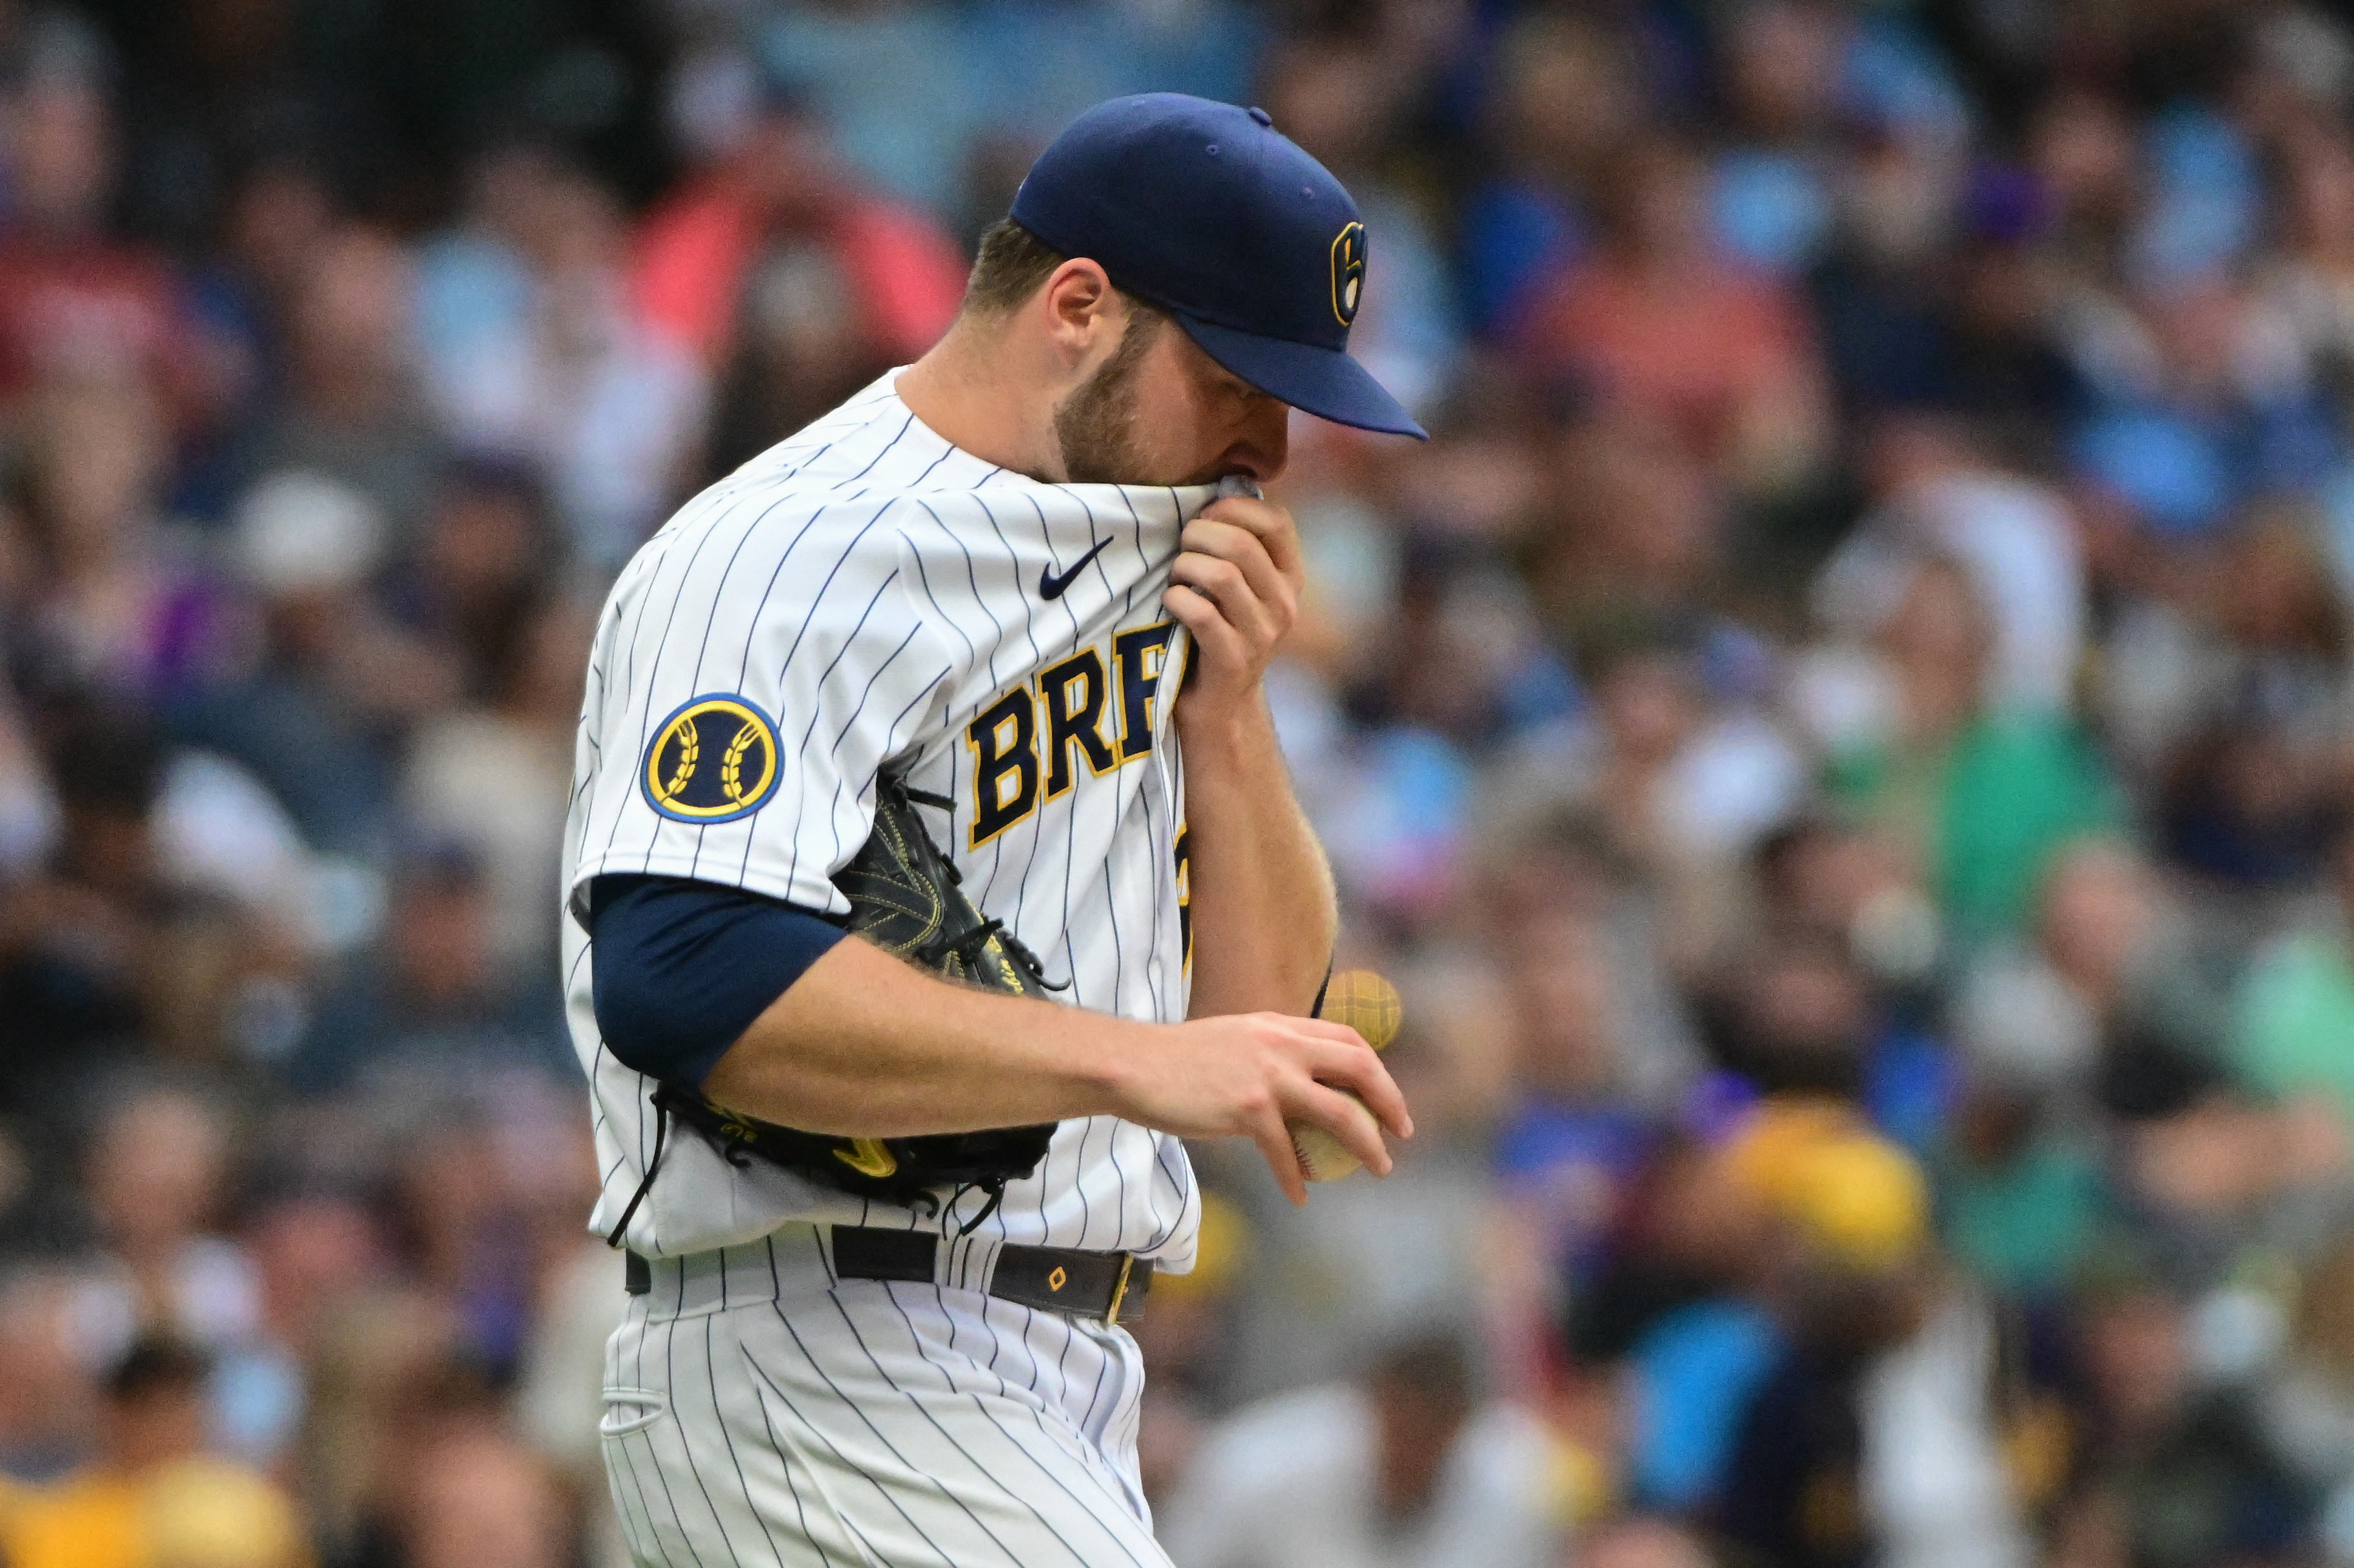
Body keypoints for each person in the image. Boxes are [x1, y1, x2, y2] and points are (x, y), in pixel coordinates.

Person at [561, 94, 1422, 1566]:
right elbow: (682, 971)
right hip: (826, 1347)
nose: (1269, 444)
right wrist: (1137, 1063)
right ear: (1079, 307)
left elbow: (1260, 1034)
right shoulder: (781, 552)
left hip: (1058, 1375)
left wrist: (1231, 719)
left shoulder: (1155, 533)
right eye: (1234, 378)